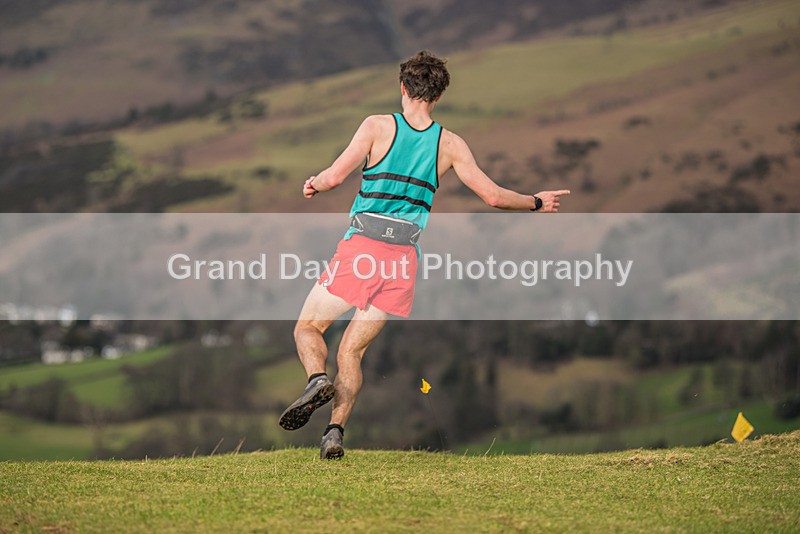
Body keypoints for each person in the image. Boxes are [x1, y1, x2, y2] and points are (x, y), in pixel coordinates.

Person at [278, 50, 570, 459]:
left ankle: (314, 380)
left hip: (363, 248)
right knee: (352, 351)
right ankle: (334, 433)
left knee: (308, 328)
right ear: (438, 94)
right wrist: (536, 202)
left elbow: (335, 176)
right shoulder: (450, 145)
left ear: (403, 87)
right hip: (402, 261)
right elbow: (492, 195)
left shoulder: (377, 126)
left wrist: (313, 184)